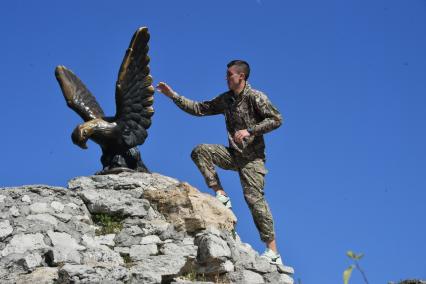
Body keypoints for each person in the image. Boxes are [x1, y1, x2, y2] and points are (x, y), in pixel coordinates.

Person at [156, 60, 284, 265]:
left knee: (254, 201)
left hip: (252, 160)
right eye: (226, 75)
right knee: (201, 151)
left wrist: (250, 131)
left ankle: (273, 252)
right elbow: (200, 108)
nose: (226, 78)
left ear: (241, 76)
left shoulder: (255, 97)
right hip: (233, 155)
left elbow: (276, 119)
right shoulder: (226, 100)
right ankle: (221, 194)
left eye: (230, 75)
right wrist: (173, 96)